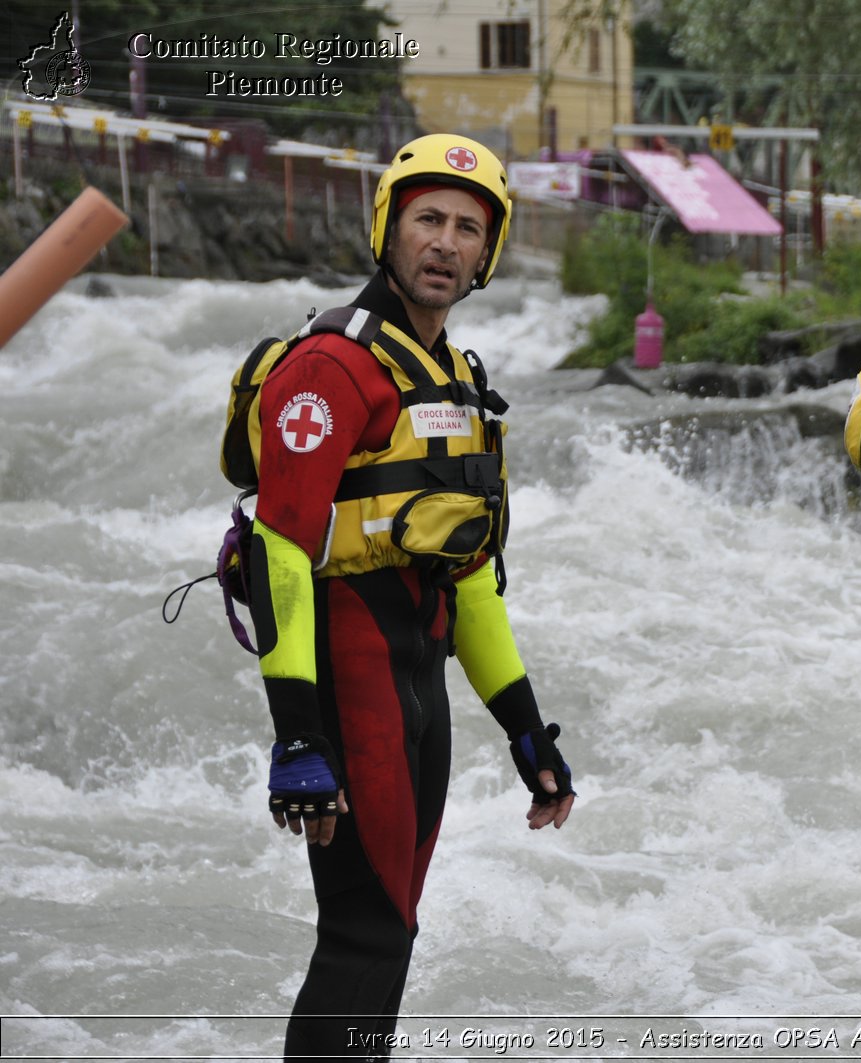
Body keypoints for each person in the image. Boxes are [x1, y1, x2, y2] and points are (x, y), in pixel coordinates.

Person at [237, 133, 576, 1058]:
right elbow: (279, 555)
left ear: (487, 253)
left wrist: (525, 725)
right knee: (365, 931)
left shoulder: (455, 378)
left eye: (469, 227)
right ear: (388, 227)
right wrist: (298, 733)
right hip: (347, 683)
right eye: (428, 218)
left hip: (417, 684)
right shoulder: (333, 367)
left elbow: (466, 574)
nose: (446, 242)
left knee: (392, 930)